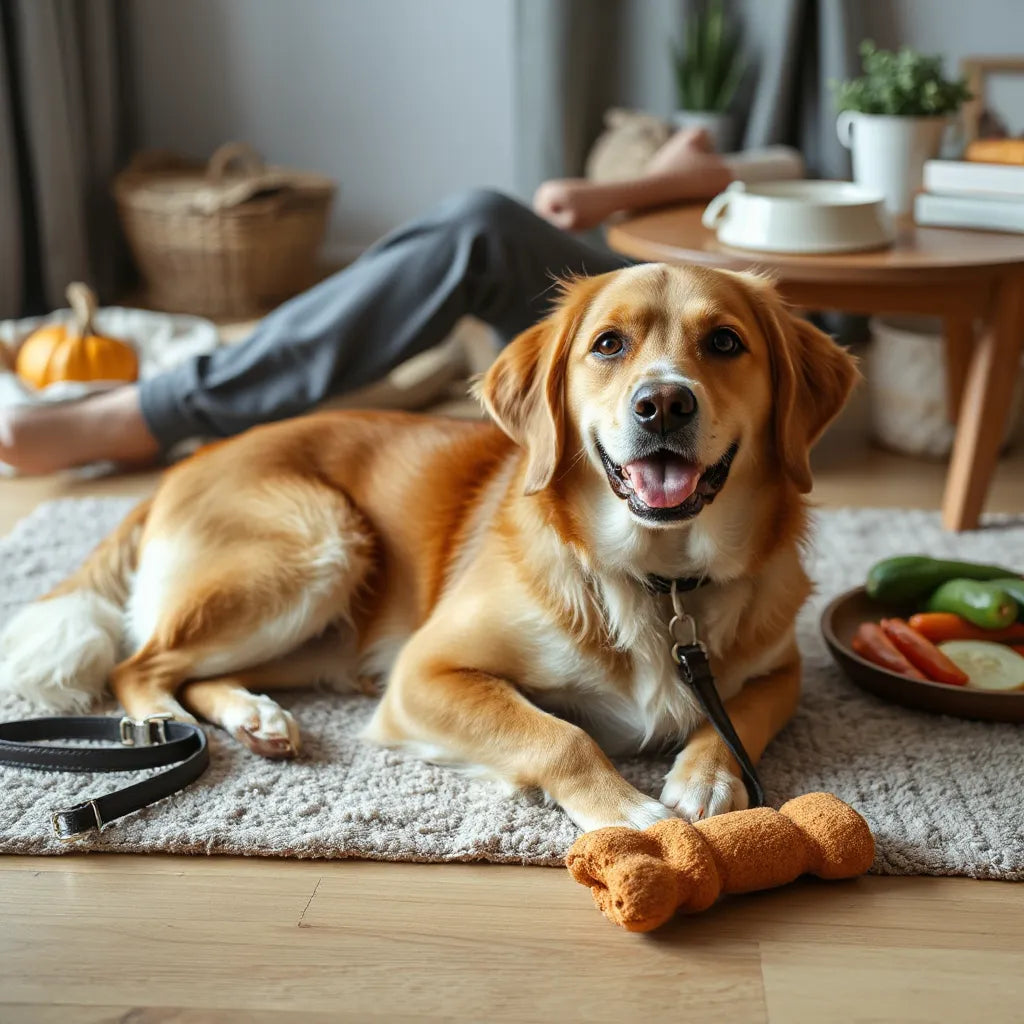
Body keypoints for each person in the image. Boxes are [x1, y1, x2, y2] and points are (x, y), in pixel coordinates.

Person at [0, 131, 790, 474]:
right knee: (466, 235)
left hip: (720, 312)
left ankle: (154, 410)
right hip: (642, 282)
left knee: (480, 226)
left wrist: (633, 185)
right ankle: (184, 401)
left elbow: (786, 166)